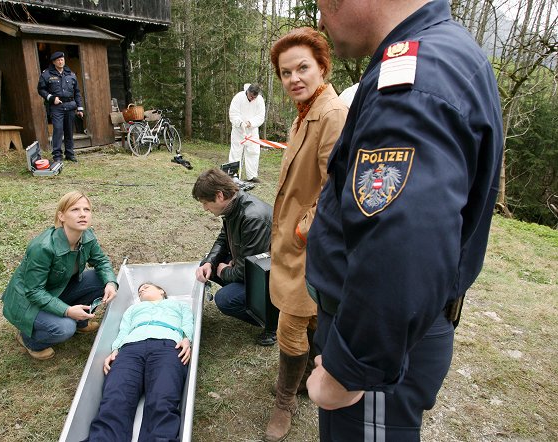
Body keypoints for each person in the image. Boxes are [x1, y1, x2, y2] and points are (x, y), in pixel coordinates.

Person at [305, 1, 504, 440]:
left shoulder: (413, 81)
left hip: (378, 344)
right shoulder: (445, 53)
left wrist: (350, 370)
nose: (320, 19)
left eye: (321, 3)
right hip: (396, 331)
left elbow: (402, 248)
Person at [263, 27, 349, 442]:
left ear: (322, 68)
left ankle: (285, 401)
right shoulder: (306, 112)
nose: (294, 78)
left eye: (303, 68)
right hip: (295, 242)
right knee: (311, 317)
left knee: (290, 325)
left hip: (309, 244)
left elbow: (338, 187)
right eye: (285, 72)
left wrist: (302, 228)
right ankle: (304, 380)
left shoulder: (331, 114)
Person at [2, 191, 118, 360]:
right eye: (75, 210)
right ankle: (29, 339)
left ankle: (81, 322)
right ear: (61, 216)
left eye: (87, 209)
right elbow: (33, 291)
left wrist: (110, 283)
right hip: (27, 302)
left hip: (56, 289)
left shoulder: (87, 236)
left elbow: (101, 261)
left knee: (100, 279)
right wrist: (67, 310)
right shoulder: (43, 247)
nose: (82, 214)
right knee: (64, 328)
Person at [85, 282, 194, 442]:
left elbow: (188, 321)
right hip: (130, 348)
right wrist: (116, 349)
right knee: (115, 397)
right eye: (139, 290)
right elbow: (124, 330)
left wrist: (187, 339)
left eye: (146, 287)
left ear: (162, 291)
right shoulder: (133, 309)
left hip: (167, 345)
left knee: (163, 398)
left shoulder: (178, 305)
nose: (142, 290)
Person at [193, 168, 274, 345]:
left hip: (270, 279)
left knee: (225, 299)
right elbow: (224, 237)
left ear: (220, 195)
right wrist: (210, 262)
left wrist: (224, 271)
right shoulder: (233, 207)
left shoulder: (253, 218)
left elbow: (251, 272)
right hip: (249, 265)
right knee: (206, 268)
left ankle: (274, 323)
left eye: (206, 203)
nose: (205, 208)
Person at [37, 51, 84, 163]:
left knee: (69, 130)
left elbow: (77, 92)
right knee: (58, 130)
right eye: (58, 60)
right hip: (56, 107)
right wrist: (52, 98)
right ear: (54, 62)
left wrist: (80, 108)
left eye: (62, 59)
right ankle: (57, 156)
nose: (60, 61)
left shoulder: (71, 74)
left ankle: (70, 154)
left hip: (70, 106)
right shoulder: (46, 74)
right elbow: (41, 89)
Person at [228, 83, 266, 182]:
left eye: (254, 97)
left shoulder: (260, 100)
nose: (252, 98)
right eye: (251, 96)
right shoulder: (238, 97)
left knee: (253, 152)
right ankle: (233, 176)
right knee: (236, 152)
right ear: (247, 91)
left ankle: (252, 176)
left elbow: (260, 116)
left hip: (252, 130)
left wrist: (251, 123)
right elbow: (233, 113)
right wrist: (240, 123)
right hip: (238, 130)